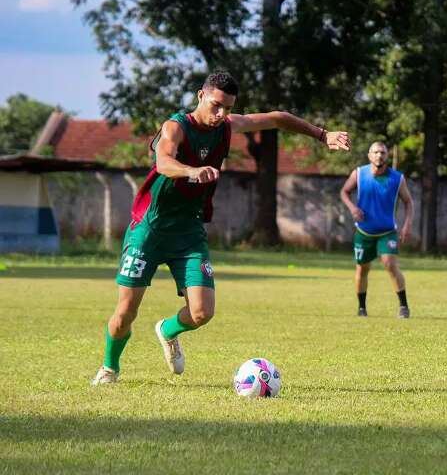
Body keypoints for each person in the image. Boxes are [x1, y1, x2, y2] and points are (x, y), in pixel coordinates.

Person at [92, 69, 352, 385]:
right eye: (216, 105)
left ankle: (167, 330)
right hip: (149, 229)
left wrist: (322, 135)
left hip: (188, 232)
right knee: (125, 313)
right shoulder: (176, 127)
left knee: (202, 313)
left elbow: (277, 118)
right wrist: (190, 171)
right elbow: (163, 162)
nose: (221, 114)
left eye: (227, 108)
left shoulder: (227, 126)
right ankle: (109, 368)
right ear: (201, 96)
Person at [340, 141, 414, 319]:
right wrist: (353, 209)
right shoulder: (359, 174)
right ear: (369, 156)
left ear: (387, 156)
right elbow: (344, 192)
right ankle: (361, 308)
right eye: (375, 152)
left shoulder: (397, 178)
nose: (379, 155)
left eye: (382, 152)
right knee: (362, 269)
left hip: (387, 231)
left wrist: (407, 225)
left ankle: (404, 306)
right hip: (364, 232)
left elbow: (408, 202)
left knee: (390, 264)